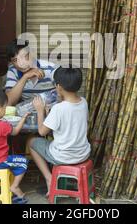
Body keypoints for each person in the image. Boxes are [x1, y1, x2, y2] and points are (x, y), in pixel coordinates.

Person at [27, 67, 91, 196]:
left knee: (30, 141)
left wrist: (40, 111)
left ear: (59, 87)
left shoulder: (58, 109)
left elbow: (42, 132)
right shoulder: (83, 102)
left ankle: (48, 178)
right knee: (52, 141)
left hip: (63, 157)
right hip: (83, 154)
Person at [5, 38, 58, 106]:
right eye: (15, 60)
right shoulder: (13, 71)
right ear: (11, 62)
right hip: (27, 113)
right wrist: (25, 77)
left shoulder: (50, 68)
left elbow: (67, 92)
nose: (21, 63)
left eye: (24, 57)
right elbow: (9, 103)